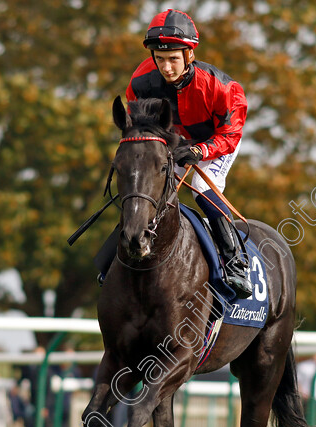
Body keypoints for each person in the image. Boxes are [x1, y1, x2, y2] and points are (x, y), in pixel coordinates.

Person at [126, 9, 252, 298]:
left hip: (216, 143)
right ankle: (116, 256)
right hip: (173, 142)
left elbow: (230, 134)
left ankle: (236, 262)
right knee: (142, 186)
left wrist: (200, 149)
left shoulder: (222, 87)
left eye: (173, 59)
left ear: (189, 55)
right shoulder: (140, 83)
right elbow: (141, 129)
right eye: (160, 59)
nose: (167, 68)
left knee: (200, 188)